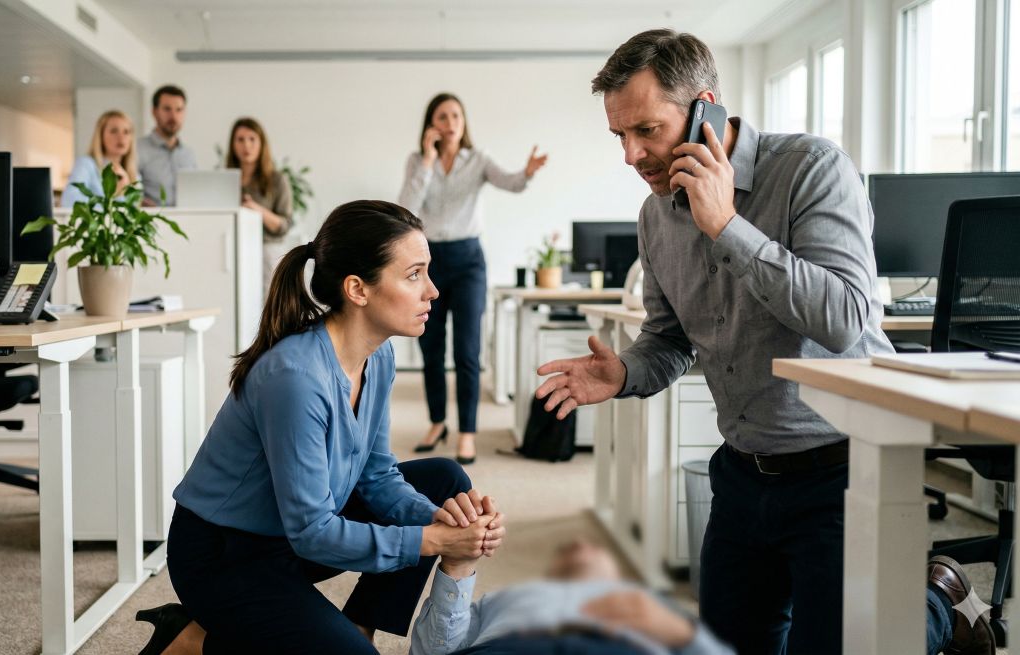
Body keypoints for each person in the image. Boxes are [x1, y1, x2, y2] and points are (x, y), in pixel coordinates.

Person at [532, 29, 995, 654]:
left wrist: (727, 226)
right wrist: (626, 374)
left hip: (843, 468)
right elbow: (670, 340)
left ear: (705, 109)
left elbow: (846, 318)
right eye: (620, 135)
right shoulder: (655, 216)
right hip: (743, 473)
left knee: (849, 642)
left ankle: (940, 600)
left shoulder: (810, 169)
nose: (630, 154)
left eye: (646, 130)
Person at [135, 200, 508, 655]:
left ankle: (358, 628)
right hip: (226, 557)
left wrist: (442, 519)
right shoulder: (294, 377)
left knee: (443, 484)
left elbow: (377, 476)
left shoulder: (379, 355)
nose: (432, 290)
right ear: (357, 289)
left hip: (291, 539)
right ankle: (195, 637)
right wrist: (432, 541)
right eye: (414, 275)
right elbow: (313, 531)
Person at [411, 541, 987, 655]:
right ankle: (939, 602)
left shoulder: (641, 617)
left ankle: (937, 604)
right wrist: (458, 565)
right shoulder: (506, 611)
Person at [400, 92, 548, 465]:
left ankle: (466, 432)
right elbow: (405, 210)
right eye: (442, 116)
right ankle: (437, 423)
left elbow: (511, 183)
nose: (450, 122)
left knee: (466, 352)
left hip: (468, 261)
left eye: (455, 116)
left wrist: (527, 172)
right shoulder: (418, 162)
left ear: (463, 122)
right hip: (428, 261)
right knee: (430, 349)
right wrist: (429, 162)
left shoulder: (478, 160)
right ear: (431, 124)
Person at [411, 538, 734, 655]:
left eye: (594, 547)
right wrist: (458, 567)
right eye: (567, 550)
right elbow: (435, 651)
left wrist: (683, 634)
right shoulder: (508, 597)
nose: (579, 545)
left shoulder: (650, 604)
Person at [225, 117, 295, 290]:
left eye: (252, 139)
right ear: (233, 144)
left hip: (266, 252)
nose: (246, 146)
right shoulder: (225, 181)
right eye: (240, 139)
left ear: (261, 143)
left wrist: (256, 210)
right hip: (234, 251)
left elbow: (284, 225)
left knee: (267, 307)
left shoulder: (276, 180)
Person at [61, 110, 139, 207]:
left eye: (126, 132)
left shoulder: (134, 174)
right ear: (101, 136)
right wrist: (113, 199)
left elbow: (133, 214)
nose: (121, 137)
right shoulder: (86, 164)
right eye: (114, 131)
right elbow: (69, 200)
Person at [137, 84, 197, 206]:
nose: (173, 116)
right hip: (151, 221)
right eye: (167, 109)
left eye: (179, 110)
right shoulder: (137, 149)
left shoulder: (189, 154)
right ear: (154, 112)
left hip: (188, 221)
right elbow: (128, 192)